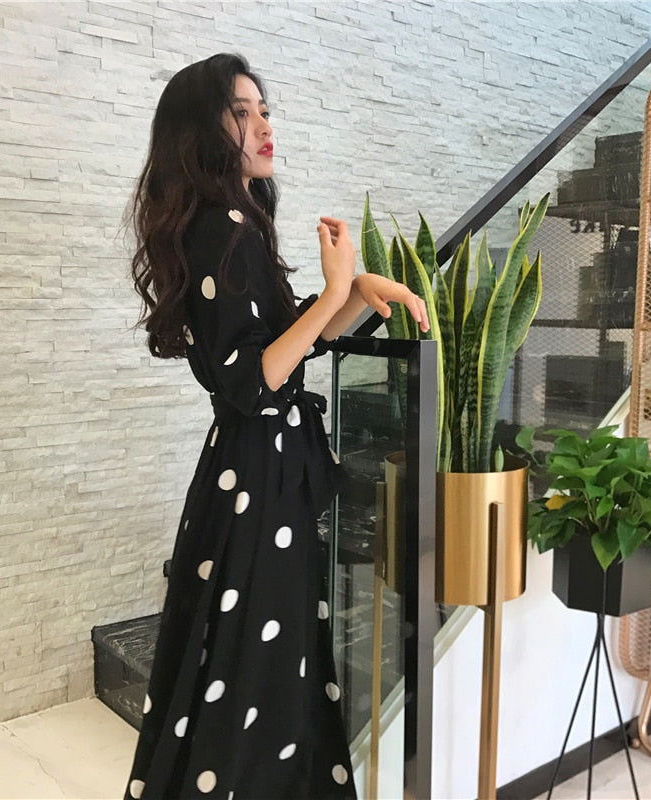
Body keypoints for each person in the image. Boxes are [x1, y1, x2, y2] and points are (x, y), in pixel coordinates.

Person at [124, 53, 428, 800]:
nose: (264, 125)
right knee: (250, 671)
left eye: (264, 109)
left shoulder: (234, 224)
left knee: (260, 663)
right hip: (254, 480)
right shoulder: (220, 228)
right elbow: (250, 381)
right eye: (242, 112)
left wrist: (352, 292)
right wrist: (333, 293)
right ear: (202, 132)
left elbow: (289, 350)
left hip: (260, 473)